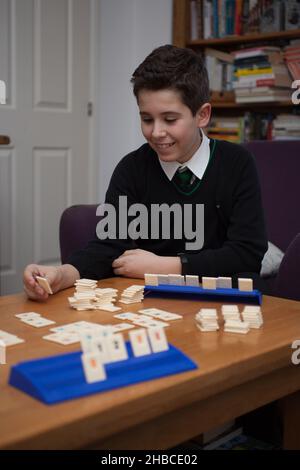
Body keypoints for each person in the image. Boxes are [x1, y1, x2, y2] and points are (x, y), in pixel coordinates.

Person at [23, 44, 268, 301]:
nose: (156, 132)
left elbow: (246, 252)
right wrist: (61, 275)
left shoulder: (237, 163)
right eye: (147, 119)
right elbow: (109, 245)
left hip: (224, 299)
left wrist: (168, 266)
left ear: (202, 115)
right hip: (152, 303)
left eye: (170, 119)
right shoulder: (132, 169)